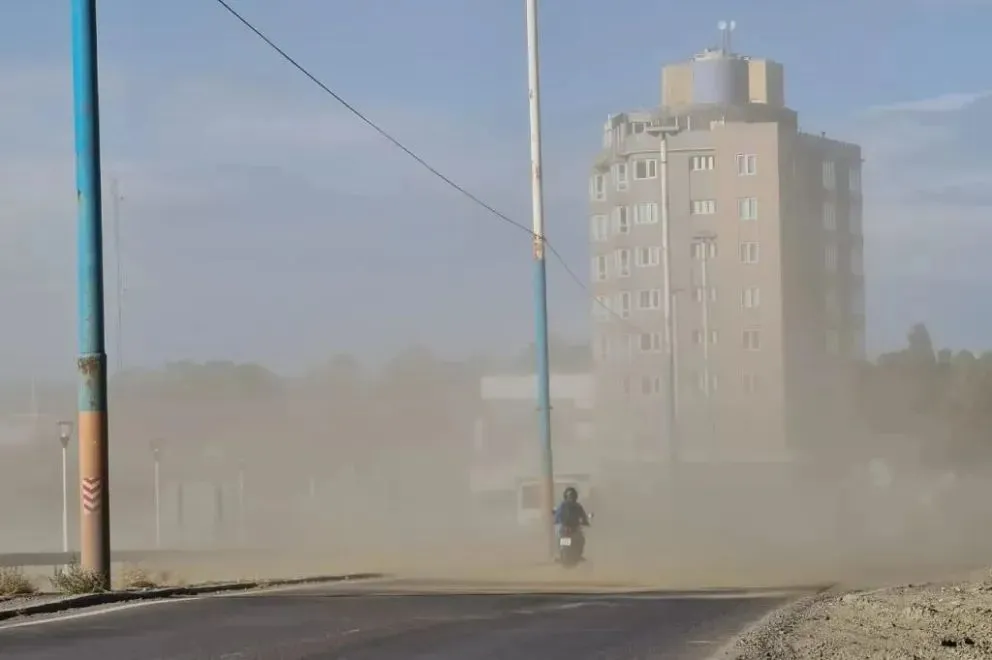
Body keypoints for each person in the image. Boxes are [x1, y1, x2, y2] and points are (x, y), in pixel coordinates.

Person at [554, 487, 590, 557]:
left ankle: (564, 553)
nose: (571, 499)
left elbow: (583, 516)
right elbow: (557, 516)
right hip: (568, 529)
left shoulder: (564, 505)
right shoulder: (569, 506)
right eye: (570, 497)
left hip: (571, 529)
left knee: (580, 539)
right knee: (580, 539)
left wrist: (585, 522)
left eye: (572, 497)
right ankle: (563, 553)